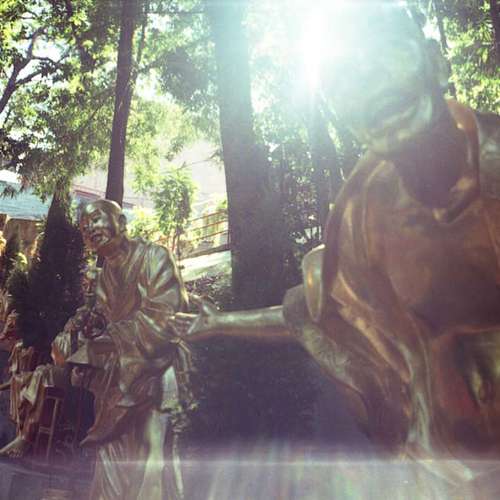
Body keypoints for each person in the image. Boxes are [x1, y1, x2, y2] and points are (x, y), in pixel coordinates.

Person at [173, 4, 500, 493]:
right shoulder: (365, 215)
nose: (368, 79)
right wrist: (219, 322)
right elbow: (320, 311)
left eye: (385, 49)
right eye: (342, 77)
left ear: (436, 62)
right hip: (443, 471)